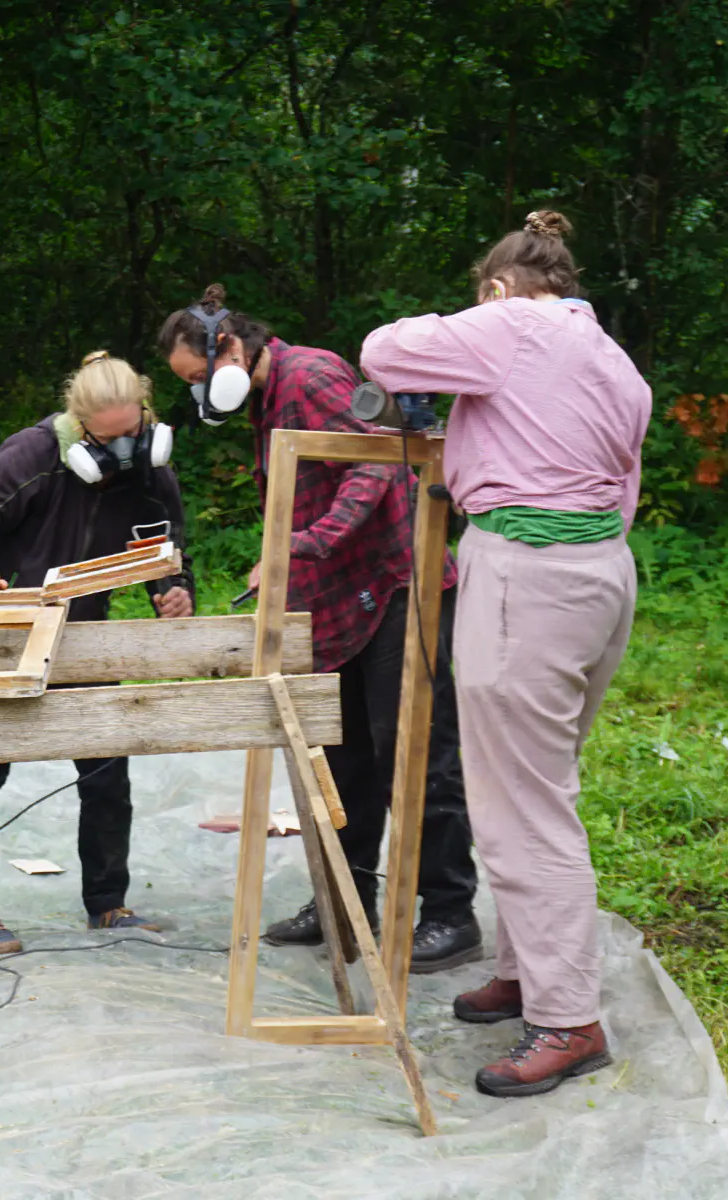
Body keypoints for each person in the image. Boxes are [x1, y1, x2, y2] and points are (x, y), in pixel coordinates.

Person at [360, 211, 650, 1097]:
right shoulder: (608, 353)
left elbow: (382, 351)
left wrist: (468, 330)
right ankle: (529, 973)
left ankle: (568, 1019)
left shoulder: (510, 325)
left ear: (495, 287)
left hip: (531, 573)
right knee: (540, 780)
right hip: (599, 569)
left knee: (522, 803)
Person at [155, 285, 481, 972]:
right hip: (339, 605)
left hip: (395, 590)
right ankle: (345, 902)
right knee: (344, 762)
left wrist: (308, 541)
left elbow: (375, 462)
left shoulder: (311, 374)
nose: (198, 394)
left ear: (232, 350)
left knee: (415, 757)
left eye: (196, 378)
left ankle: (451, 914)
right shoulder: (269, 402)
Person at [0, 351, 196, 954]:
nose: (123, 450)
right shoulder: (32, 457)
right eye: (108, 439)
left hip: (86, 637)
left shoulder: (149, 471)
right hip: (8, 630)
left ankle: (108, 904)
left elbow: (164, 543)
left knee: (107, 772)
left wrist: (172, 589)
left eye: (132, 433)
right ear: (80, 429)